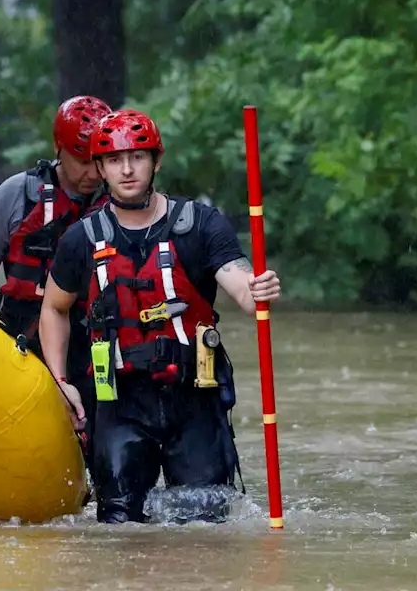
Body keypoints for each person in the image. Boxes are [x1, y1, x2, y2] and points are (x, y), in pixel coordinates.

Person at [38, 109, 282, 524]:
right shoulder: (82, 238)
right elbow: (54, 309)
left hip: (195, 397)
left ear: (157, 161)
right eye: (115, 160)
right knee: (119, 524)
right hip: (120, 403)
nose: (128, 169)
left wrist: (255, 288)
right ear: (100, 168)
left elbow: (238, 280)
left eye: (138, 157)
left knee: (205, 522)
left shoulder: (202, 225)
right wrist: (61, 381)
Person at [0, 95, 113, 421]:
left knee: (108, 426)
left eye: (100, 160)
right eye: (81, 161)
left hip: (99, 345)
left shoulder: (124, 201)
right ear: (58, 148)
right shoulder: (15, 195)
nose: (93, 174)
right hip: (22, 338)